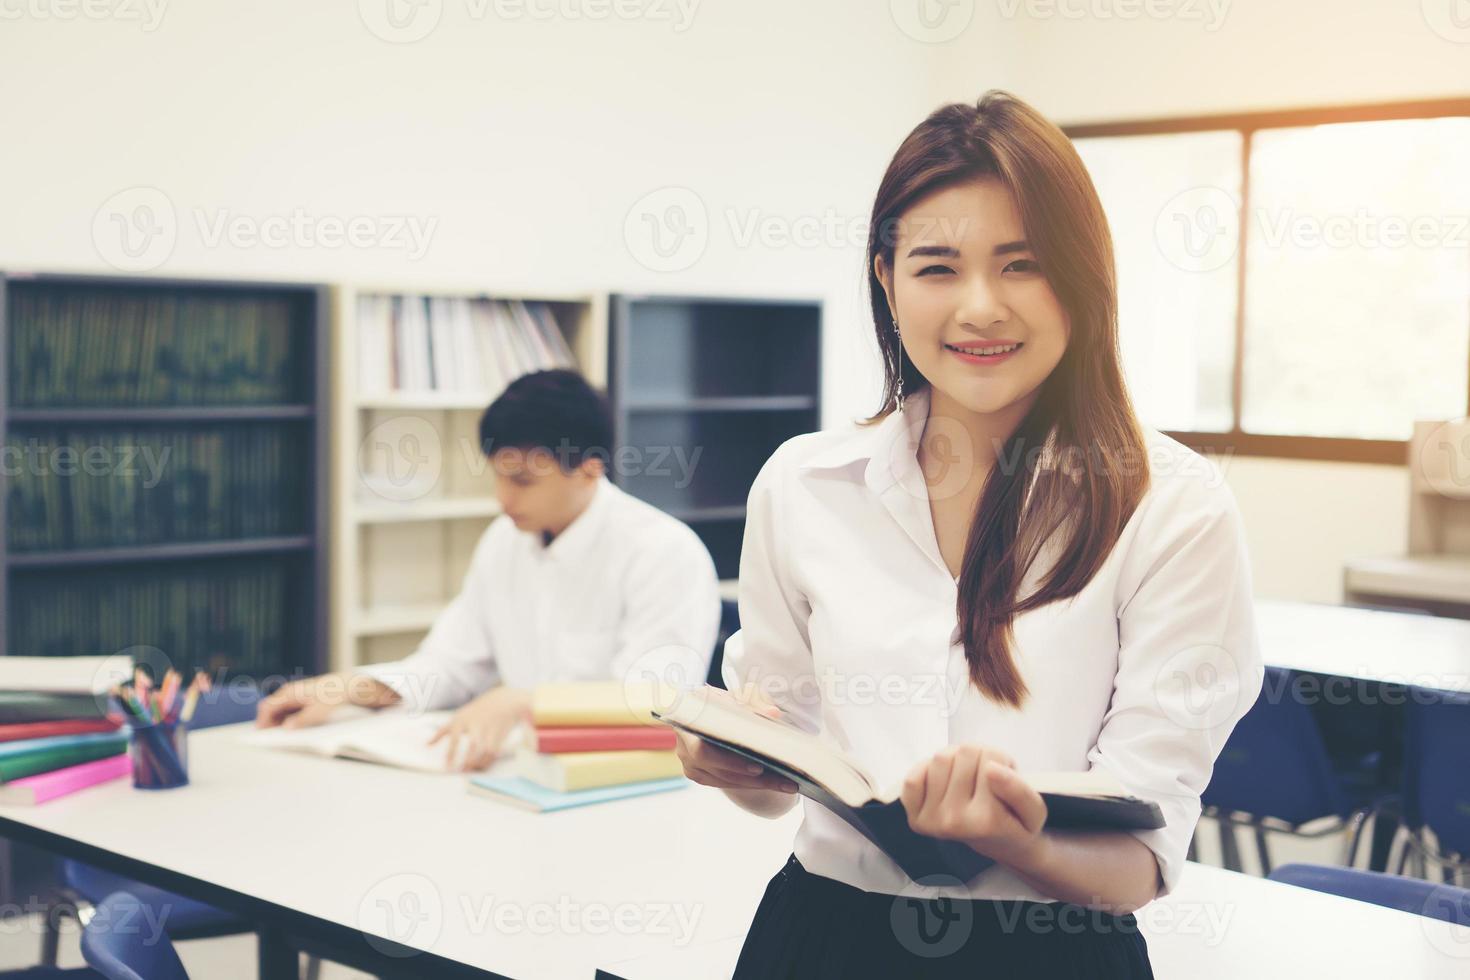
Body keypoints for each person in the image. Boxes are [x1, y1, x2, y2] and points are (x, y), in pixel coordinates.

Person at [673, 91, 1263, 978]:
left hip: (1054, 953)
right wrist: (729, 759)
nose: (979, 308)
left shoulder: (1172, 506)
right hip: (821, 936)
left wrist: (1015, 839)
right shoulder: (803, 485)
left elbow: (1141, 861)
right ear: (887, 279)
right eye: (938, 267)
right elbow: (784, 761)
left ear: (1083, 276)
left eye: (1021, 265)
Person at [258, 369, 722, 770]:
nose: (503, 498)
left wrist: (526, 703)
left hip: (626, 791)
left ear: (589, 470)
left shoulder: (664, 552)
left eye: (522, 480)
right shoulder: (505, 541)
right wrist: (353, 688)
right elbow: (451, 664)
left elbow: (660, 706)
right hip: (519, 777)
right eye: (497, 475)